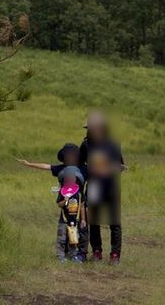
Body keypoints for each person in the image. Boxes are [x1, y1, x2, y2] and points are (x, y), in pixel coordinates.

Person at [17, 142, 88, 262]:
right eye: (67, 155)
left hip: (79, 204)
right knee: (64, 229)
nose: (70, 157)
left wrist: (115, 167)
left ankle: (79, 254)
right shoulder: (61, 168)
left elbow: (99, 169)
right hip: (65, 206)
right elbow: (46, 166)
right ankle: (63, 254)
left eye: (72, 155)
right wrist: (29, 164)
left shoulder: (83, 168)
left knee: (80, 230)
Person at [79, 111, 125, 264]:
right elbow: (80, 166)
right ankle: (97, 251)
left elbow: (120, 166)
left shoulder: (113, 144)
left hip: (110, 186)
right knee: (94, 221)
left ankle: (115, 255)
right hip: (94, 186)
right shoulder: (86, 145)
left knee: (114, 221)